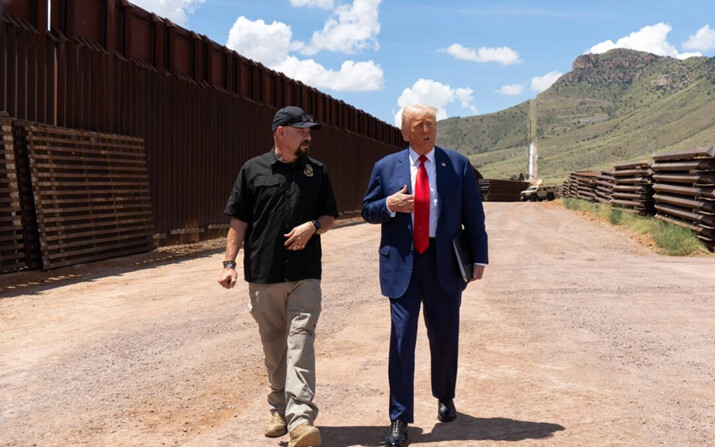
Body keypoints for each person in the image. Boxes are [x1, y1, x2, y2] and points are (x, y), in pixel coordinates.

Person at [361, 103, 488, 447]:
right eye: (419, 125)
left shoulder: (457, 165)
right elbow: (367, 210)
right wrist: (389, 205)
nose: (427, 130)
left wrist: (479, 258)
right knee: (402, 340)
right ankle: (399, 418)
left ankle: (445, 396)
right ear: (405, 132)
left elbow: (474, 216)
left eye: (431, 124)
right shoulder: (385, 167)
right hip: (402, 263)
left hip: (443, 261)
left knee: (444, 335)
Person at [218, 106, 338, 447]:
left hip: (305, 275)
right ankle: (278, 410)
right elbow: (238, 222)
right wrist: (229, 264)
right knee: (274, 349)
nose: (308, 136)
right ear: (281, 132)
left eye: (309, 131)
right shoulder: (252, 170)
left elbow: (330, 216)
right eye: (302, 131)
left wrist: (312, 227)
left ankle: (301, 419)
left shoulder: (318, 171)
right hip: (264, 274)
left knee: (300, 343)